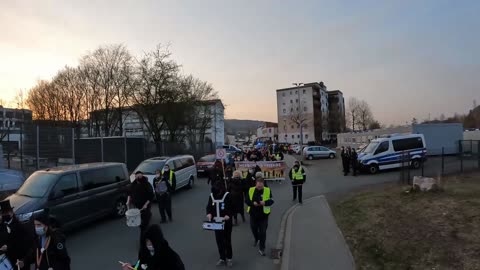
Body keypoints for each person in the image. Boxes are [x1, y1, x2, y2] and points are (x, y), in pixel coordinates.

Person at [206, 180, 234, 267]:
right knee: (219, 241)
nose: (216, 193)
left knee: (227, 241)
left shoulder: (227, 195)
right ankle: (222, 258)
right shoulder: (212, 196)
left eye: (218, 192)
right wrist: (209, 214)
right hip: (216, 223)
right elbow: (209, 207)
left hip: (226, 223)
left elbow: (233, 207)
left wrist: (228, 215)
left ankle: (229, 258)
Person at [245, 174, 274, 256]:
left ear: (263, 184)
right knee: (253, 229)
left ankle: (262, 248)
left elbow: (272, 201)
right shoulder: (251, 190)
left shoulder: (268, 190)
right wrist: (252, 203)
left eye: (261, 186)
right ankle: (256, 238)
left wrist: (264, 203)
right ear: (256, 184)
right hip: (253, 215)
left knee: (263, 232)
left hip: (264, 216)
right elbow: (246, 200)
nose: (259, 187)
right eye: (258, 186)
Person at [0, 200, 32, 270]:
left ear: (11, 212)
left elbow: (24, 244)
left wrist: (8, 246)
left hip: (19, 259)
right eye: (3, 213)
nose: (4, 215)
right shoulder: (1, 226)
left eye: (6, 212)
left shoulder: (20, 226)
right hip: (8, 260)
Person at [127, 171, 155, 235]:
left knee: (145, 221)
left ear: (142, 176)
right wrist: (128, 200)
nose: (138, 177)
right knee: (140, 218)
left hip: (145, 204)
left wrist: (146, 204)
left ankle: (146, 233)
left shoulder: (147, 184)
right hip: (136, 205)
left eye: (139, 176)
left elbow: (151, 196)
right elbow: (129, 192)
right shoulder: (133, 184)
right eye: (137, 176)